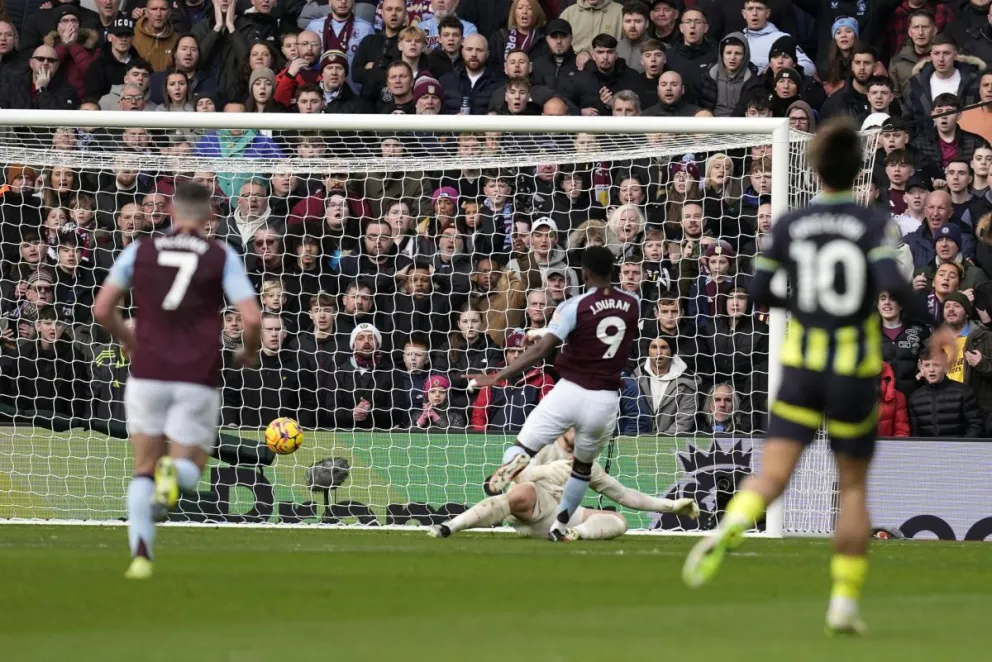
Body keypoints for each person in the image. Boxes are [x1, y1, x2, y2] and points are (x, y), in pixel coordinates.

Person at [682, 120, 956, 634]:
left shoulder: (789, 224)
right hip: (851, 372)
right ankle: (844, 602)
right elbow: (894, 283)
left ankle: (731, 526)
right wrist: (935, 325)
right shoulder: (871, 224)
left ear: (814, 168)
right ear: (859, 170)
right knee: (852, 490)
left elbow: (758, 290)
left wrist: (804, 303)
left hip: (801, 368)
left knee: (772, 475)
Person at [91, 183, 262, 580]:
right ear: (210, 216)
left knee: (142, 469)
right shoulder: (221, 254)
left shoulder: (141, 249)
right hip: (197, 375)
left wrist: (129, 339)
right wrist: (250, 352)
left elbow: (102, 308)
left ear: (170, 209)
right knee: (188, 465)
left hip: (147, 372)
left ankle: (140, 557)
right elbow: (251, 318)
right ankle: (176, 474)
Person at [465, 246, 640, 542]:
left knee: (524, 447)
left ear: (583, 273)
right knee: (582, 468)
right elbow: (600, 334)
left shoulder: (573, 306)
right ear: (614, 271)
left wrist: (498, 375)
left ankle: (515, 464)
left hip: (570, 389)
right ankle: (560, 527)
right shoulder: (632, 303)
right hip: (605, 398)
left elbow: (543, 350)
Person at [430, 428, 699, 540]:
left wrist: (672, 505)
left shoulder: (587, 463)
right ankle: (450, 526)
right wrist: (549, 470)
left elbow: (624, 494)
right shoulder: (541, 444)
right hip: (531, 504)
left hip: (558, 516)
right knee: (524, 490)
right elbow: (516, 476)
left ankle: (574, 534)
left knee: (619, 521)